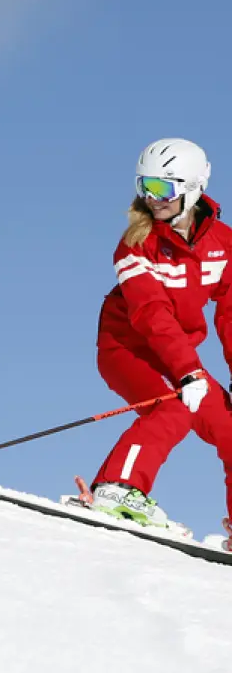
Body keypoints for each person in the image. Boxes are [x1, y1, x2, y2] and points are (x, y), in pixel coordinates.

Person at [89, 137, 232, 531]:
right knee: (171, 408)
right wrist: (188, 372)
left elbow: (231, 315)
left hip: (179, 357)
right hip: (127, 348)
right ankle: (118, 487)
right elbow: (151, 313)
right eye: (144, 187)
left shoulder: (223, 245)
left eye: (162, 188)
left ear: (193, 188)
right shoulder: (136, 245)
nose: (152, 198)